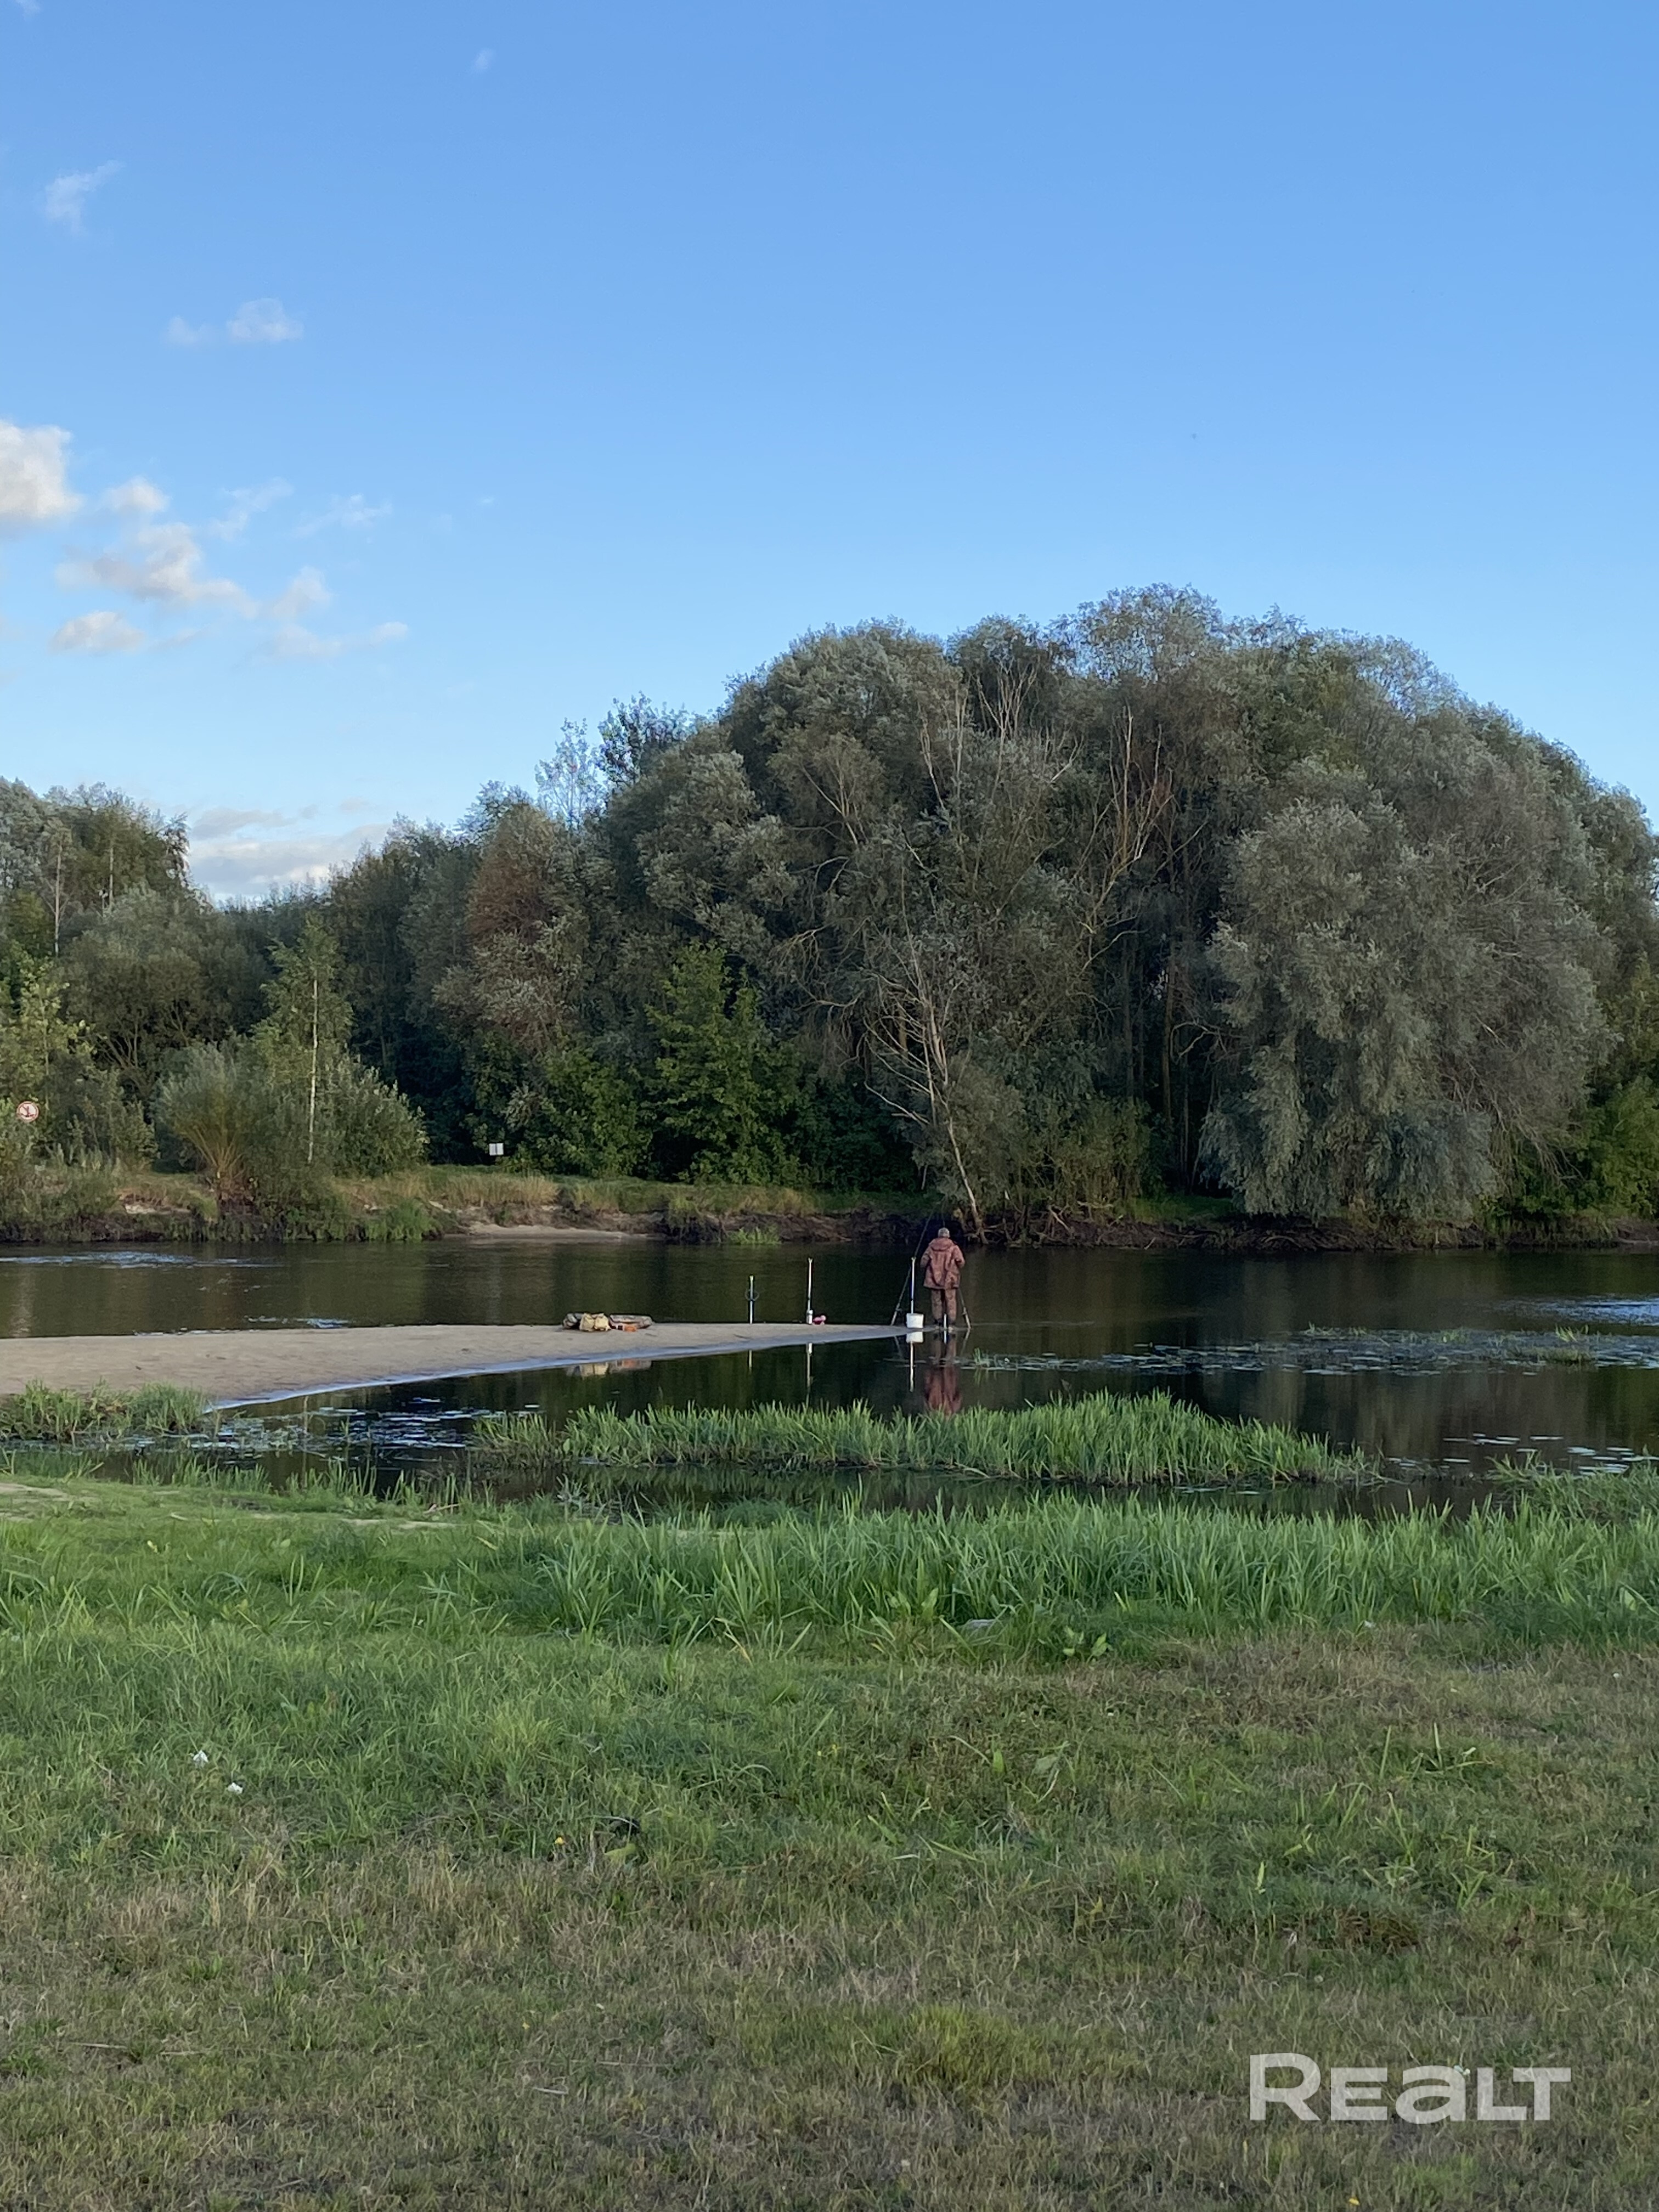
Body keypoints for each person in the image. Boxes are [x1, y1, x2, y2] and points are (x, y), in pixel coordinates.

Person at [920, 1221, 966, 1335]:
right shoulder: (954, 1247)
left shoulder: (931, 1247)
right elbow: (961, 1262)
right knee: (951, 1301)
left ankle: (937, 1323)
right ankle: (951, 1325)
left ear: (938, 1235)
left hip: (933, 1278)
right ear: (948, 1236)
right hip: (950, 1279)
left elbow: (923, 1262)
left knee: (936, 1301)